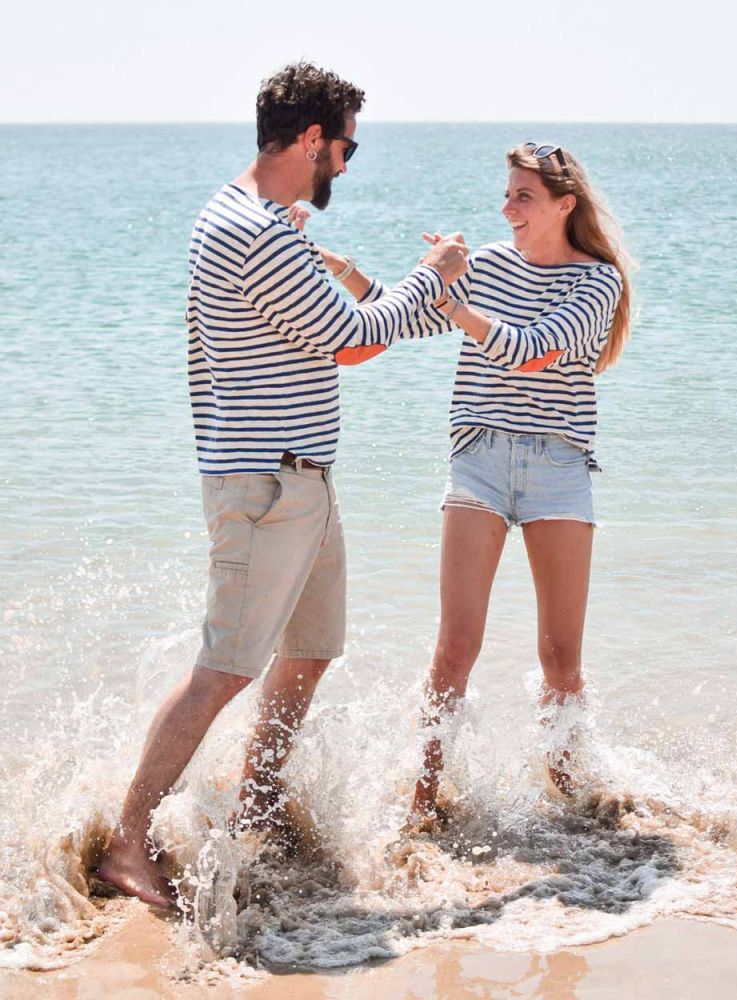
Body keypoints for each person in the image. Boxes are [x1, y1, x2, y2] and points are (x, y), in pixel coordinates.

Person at [98, 62, 468, 907]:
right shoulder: (255, 231)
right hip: (265, 485)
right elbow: (355, 334)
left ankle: (256, 812)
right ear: (311, 139)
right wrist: (440, 276)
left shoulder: (259, 221)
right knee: (225, 668)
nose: (344, 163)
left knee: (309, 652)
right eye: (345, 146)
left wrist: (362, 280)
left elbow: (339, 339)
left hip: (299, 479)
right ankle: (126, 842)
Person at [316, 142, 631, 817]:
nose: (506, 207)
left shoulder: (597, 282)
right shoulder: (487, 264)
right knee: (456, 644)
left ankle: (572, 798)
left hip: (559, 465)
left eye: (523, 196)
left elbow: (532, 353)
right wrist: (350, 273)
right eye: (508, 193)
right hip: (480, 457)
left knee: (560, 656)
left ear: (563, 205)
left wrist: (454, 299)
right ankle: (422, 802)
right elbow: (406, 318)